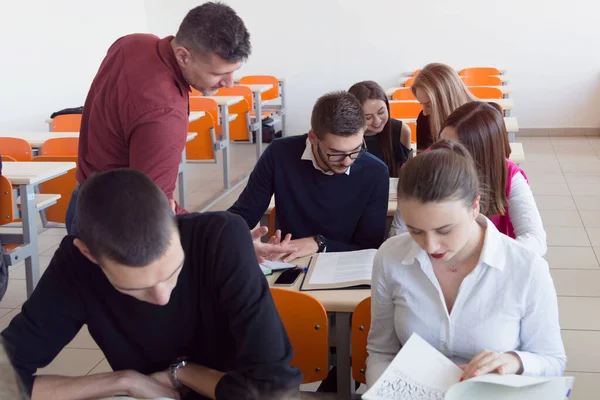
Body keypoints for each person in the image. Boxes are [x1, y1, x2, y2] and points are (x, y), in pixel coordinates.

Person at [1, 169, 302, 400]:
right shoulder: (75, 266)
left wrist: (184, 373)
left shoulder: (221, 237)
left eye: (173, 273)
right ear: (88, 253)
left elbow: (272, 390)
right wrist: (121, 381)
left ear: (172, 212)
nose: (161, 297)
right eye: (135, 289)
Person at [366, 140, 566, 387]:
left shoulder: (526, 267)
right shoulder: (390, 257)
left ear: (474, 207)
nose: (430, 246)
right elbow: (381, 353)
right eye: (415, 231)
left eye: (444, 230)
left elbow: (553, 361)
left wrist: (513, 361)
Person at [65, 2, 251, 235]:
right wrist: (226, 241)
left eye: (233, 71)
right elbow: (154, 210)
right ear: (183, 55)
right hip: (114, 226)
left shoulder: (130, 42)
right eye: (219, 73)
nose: (230, 83)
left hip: (82, 201)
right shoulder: (163, 114)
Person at [228, 91, 390, 263]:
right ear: (313, 138)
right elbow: (244, 214)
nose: (348, 161)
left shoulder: (376, 172)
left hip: (344, 266)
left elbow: (370, 247)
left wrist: (319, 243)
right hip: (287, 263)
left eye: (357, 149)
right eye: (336, 153)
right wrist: (238, 238)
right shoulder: (279, 153)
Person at [390, 102, 547, 256]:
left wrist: (482, 258)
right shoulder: (425, 165)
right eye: (442, 142)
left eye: (456, 148)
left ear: (480, 154)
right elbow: (399, 232)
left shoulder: (509, 175)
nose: (445, 152)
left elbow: (535, 240)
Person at [348, 81, 412, 177]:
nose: (377, 121)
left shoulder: (402, 131)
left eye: (381, 112)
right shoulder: (345, 136)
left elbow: (408, 174)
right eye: (368, 117)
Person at [412, 63, 476, 151]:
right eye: (421, 104)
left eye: (429, 105)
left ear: (447, 100)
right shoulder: (424, 119)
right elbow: (423, 161)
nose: (425, 112)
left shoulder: (482, 117)